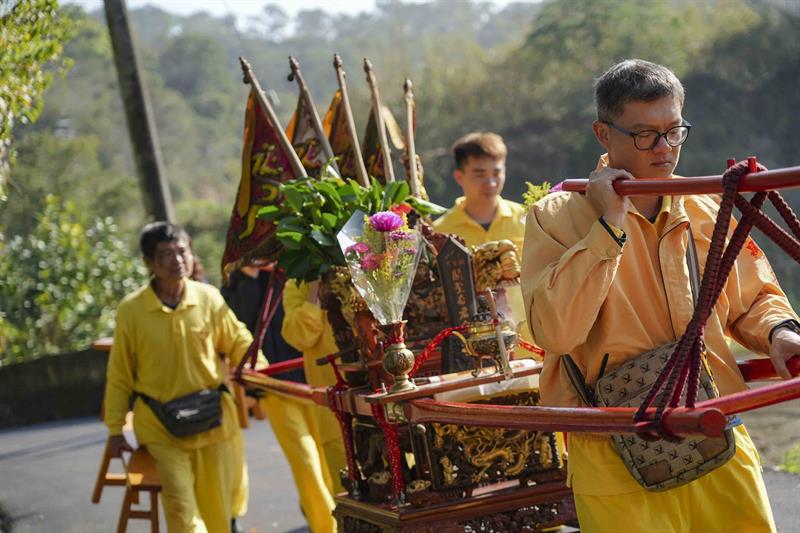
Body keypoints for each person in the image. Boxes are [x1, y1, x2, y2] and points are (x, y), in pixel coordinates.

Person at [521, 58, 800, 532]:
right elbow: (557, 331)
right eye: (644, 134)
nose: (664, 148)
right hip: (614, 452)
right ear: (602, 134)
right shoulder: (558, 214)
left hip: (717, 432)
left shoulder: (708, 203)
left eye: (674, 131)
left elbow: (755, 297)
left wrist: (781, 331)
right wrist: (608, 227)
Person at [104, 222, 255, 533]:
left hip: (212, 417)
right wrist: (115, 429)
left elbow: (238, 340)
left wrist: (257, 370)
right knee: (181, 509)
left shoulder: (208, 297)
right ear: (148, 263)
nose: (177, 260)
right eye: (166, 254)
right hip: (161, 426)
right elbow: (120, 373)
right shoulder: (132, 311)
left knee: (218, 512)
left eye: (182, 251)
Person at [222, 266, 338, 533]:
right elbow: (241, 322)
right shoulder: (236, 283)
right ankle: (324, 527)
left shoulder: (299, 269)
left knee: (327, 458)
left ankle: (330, 515)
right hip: (273, 386)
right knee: (306, 462)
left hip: (311, 378)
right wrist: (249, 273)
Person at [432, 131, 533, 347]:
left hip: (530, 344)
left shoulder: (528, 218)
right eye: (479, 174)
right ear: (459, 176)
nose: (490, 182)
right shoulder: (440, 232)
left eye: (497, 172)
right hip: (473, 348)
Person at [281, 280, 349, 531]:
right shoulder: (297, 284)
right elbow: (299, 336)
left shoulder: (362, 261)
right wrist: (316, 289)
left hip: (383, 396)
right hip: (335, 411)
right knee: (351, 497)